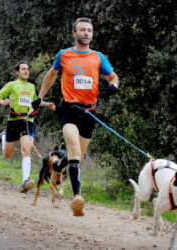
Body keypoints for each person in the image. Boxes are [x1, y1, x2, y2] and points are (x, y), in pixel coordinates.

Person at [32, 17, 119, 216]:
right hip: (69, 109)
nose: (86, 33)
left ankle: (58, 164)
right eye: (82, 30)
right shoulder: (64, 55)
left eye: (89, 30)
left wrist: (113, 85)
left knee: (75, 157)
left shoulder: (98, 57)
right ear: (74, 33)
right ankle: (77, 197)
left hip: (89, 112)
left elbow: (113, 76)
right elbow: (51, 75)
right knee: (74, 147)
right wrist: (40, 97)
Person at [0, 61, 55, 193]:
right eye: (23, 69)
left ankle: (25, 181)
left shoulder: (32, 86)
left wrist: (47, 104)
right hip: (14, 121)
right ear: (17, 72)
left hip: (27, 121)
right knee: (7, 155)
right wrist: (2, 102)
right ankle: (4, 137)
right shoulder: (12, 85)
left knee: (26, 150)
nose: (26, 71)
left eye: (27, 69)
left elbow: (35, 102)